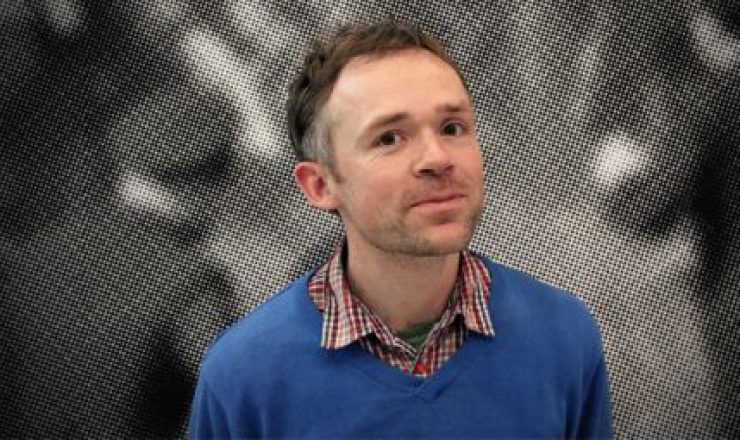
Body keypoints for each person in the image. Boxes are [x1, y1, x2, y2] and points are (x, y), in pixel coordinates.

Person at [188, 19, 613, 439]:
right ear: (320, 185)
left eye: (452, 128)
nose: (438, 158)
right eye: (389, 138)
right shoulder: (243, 376)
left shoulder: (562, 333)